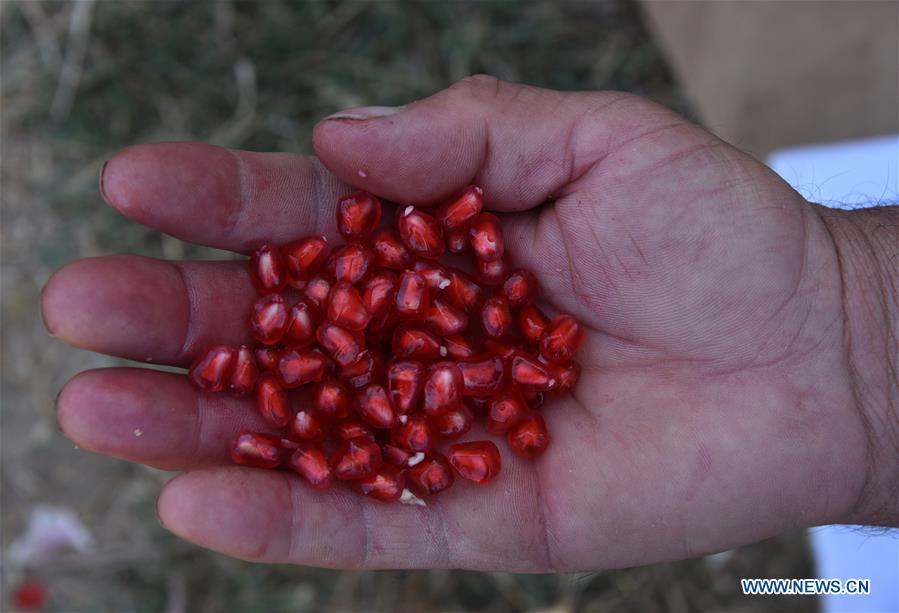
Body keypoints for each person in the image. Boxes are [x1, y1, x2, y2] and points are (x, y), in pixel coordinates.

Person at [40, 77, 897, 571]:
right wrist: (856, 327)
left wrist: (853, 323)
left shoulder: (439, 333)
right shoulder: (440, 339)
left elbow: (423, 355)